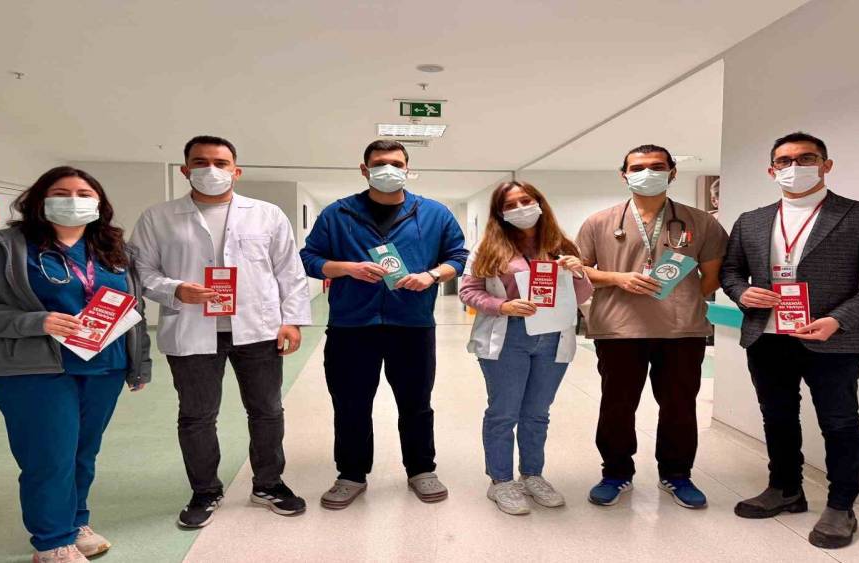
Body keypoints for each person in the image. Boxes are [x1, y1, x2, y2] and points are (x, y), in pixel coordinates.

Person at [720, 131, 859, 549]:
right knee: (777, 417)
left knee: (839, 422)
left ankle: (841, 507)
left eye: (806, 158)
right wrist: (742, 293)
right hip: (767, 336)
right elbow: (730, 271)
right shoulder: (751, 220)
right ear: (772, 170)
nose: (794, 167)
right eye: (784, 161)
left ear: (826, 165)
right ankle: (785, 489)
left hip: (832, 339)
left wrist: (838, 319)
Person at [0, 166, 152, 563]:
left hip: (104, 366)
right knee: (49, 456)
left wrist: (140, 363)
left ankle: (76, 522)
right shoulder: (6, 246)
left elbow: (134, 309)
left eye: (84, 194)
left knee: (83, 452)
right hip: (34, 370)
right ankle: (51, 541)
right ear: (40, 200)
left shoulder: (116, 250)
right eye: (61, 193)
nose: (73, 201)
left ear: (99, 204)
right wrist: (36, 322)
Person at [130, 135, 312, 527]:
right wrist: (175, 289)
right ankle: (205, 491)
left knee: (267, 410)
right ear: (185, 170)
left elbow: (289, 271)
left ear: (236, 170)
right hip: (191, 328)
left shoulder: (267, 215)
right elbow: (141, 271)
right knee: (196, 415)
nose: (210, 170)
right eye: (200, 162)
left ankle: (268, 484)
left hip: (258, 329)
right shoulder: (158, 217)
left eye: (220, 162)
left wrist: (293, 320)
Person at [300, 139, 468, 509]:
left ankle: (421, 469)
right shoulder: (338, 213)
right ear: (365, 169)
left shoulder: (434, 213)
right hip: (351, 326)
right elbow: (309, 258)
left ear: (407, 168)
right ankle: (351, 474)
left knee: (416, 402)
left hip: (412, 324)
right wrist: (347, 268)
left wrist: (431, 276)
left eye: (396, 163)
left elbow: (458, 256)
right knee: (351, 403)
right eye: (379, 163)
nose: (388, 169)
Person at [577, 144, 729, 509]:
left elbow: (713, 277)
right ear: (624, 174)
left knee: (679, 406)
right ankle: (615, 473)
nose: (648, 173)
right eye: (638, 167)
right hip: (618, 330)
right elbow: (578, 272)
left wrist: (680, 298)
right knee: (617, 406)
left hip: (681, 331)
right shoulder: (599, 222)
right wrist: (618, 278)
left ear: (673, 172)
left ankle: (677, 474)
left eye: (657, 166)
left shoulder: (701, 222)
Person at [459, 181, 593, 515]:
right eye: (510, 205)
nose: (520, 208)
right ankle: (501, 481)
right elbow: (468, 291)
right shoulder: (488, 248)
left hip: (553, 337)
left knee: (537, 413)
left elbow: (581, 295)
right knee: (504, 412)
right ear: (500, 213)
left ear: (540, 203)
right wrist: (502, 306)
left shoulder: (561, 245)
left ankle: (532, 475)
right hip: (508, 335)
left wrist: (578, 273)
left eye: (526, 200)